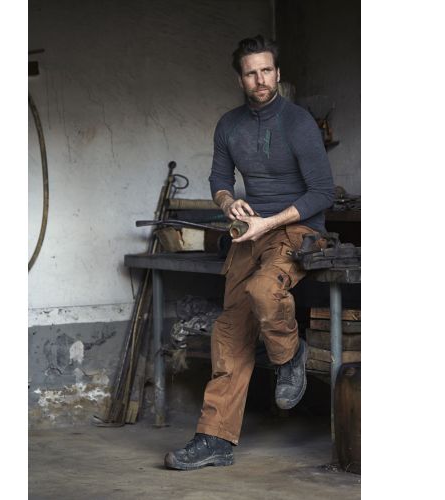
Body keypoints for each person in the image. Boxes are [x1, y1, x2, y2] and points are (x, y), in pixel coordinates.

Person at [164, 35, 335, 470]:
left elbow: (323, 192)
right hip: (250, 231)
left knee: (263, 290)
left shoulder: (298, 122)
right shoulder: (229, 125)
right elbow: (219, 179)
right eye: (251, 73)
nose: (260, 80)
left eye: (266, 71)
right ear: (240, 79)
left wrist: (269, 222)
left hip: (297, 229)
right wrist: (228, 203)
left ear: (277, 73)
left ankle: (290, 354)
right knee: (230, 330)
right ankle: (215, 438)